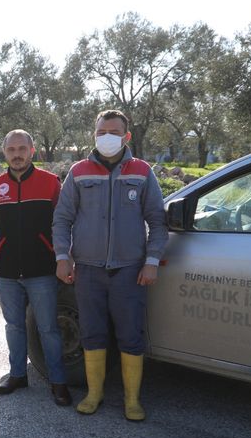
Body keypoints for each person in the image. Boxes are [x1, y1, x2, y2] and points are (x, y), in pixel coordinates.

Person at [52, 109, 167, 421]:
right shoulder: (78, 171)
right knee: (92, 333)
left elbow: (157, 221)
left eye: (113, 132)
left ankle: (132, 400)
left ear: (126, 136)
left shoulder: (142, 171)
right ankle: (94, 393)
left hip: (130, 271)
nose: (107, 137)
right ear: (94, 135)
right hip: (87, 270)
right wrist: (63, 257)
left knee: (130, 335)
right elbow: (62, 220)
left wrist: (152, 261)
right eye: (101, 132)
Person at [0, 129, 71, 407]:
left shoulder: (50, 183)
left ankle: (58, 381)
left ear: (32, 151)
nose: (17, 154)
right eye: (11, 150)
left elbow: (62, 222)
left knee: (47, 328)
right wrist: (5, 246)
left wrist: (54, 251)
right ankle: (17, 375)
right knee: (14, 326)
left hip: (42, 270)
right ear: (5, 153)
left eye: (22, 148)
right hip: (8, 270)